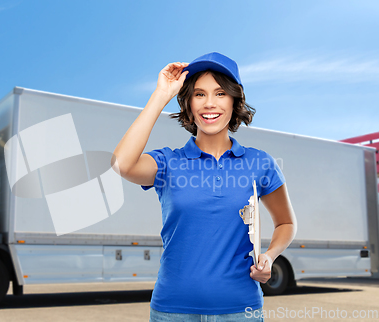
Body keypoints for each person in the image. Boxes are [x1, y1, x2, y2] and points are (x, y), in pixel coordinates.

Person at [112, 52, 297, 322]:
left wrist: (269, 256)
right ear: (188, 104)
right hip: (172, 311)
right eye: (199, 94)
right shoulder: (168, 162)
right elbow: (122, 164)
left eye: (220, 93)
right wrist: (161, 94)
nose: (210, 104)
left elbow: (286, 224)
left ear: (235, 100)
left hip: (240, 310)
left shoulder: (260, 162)